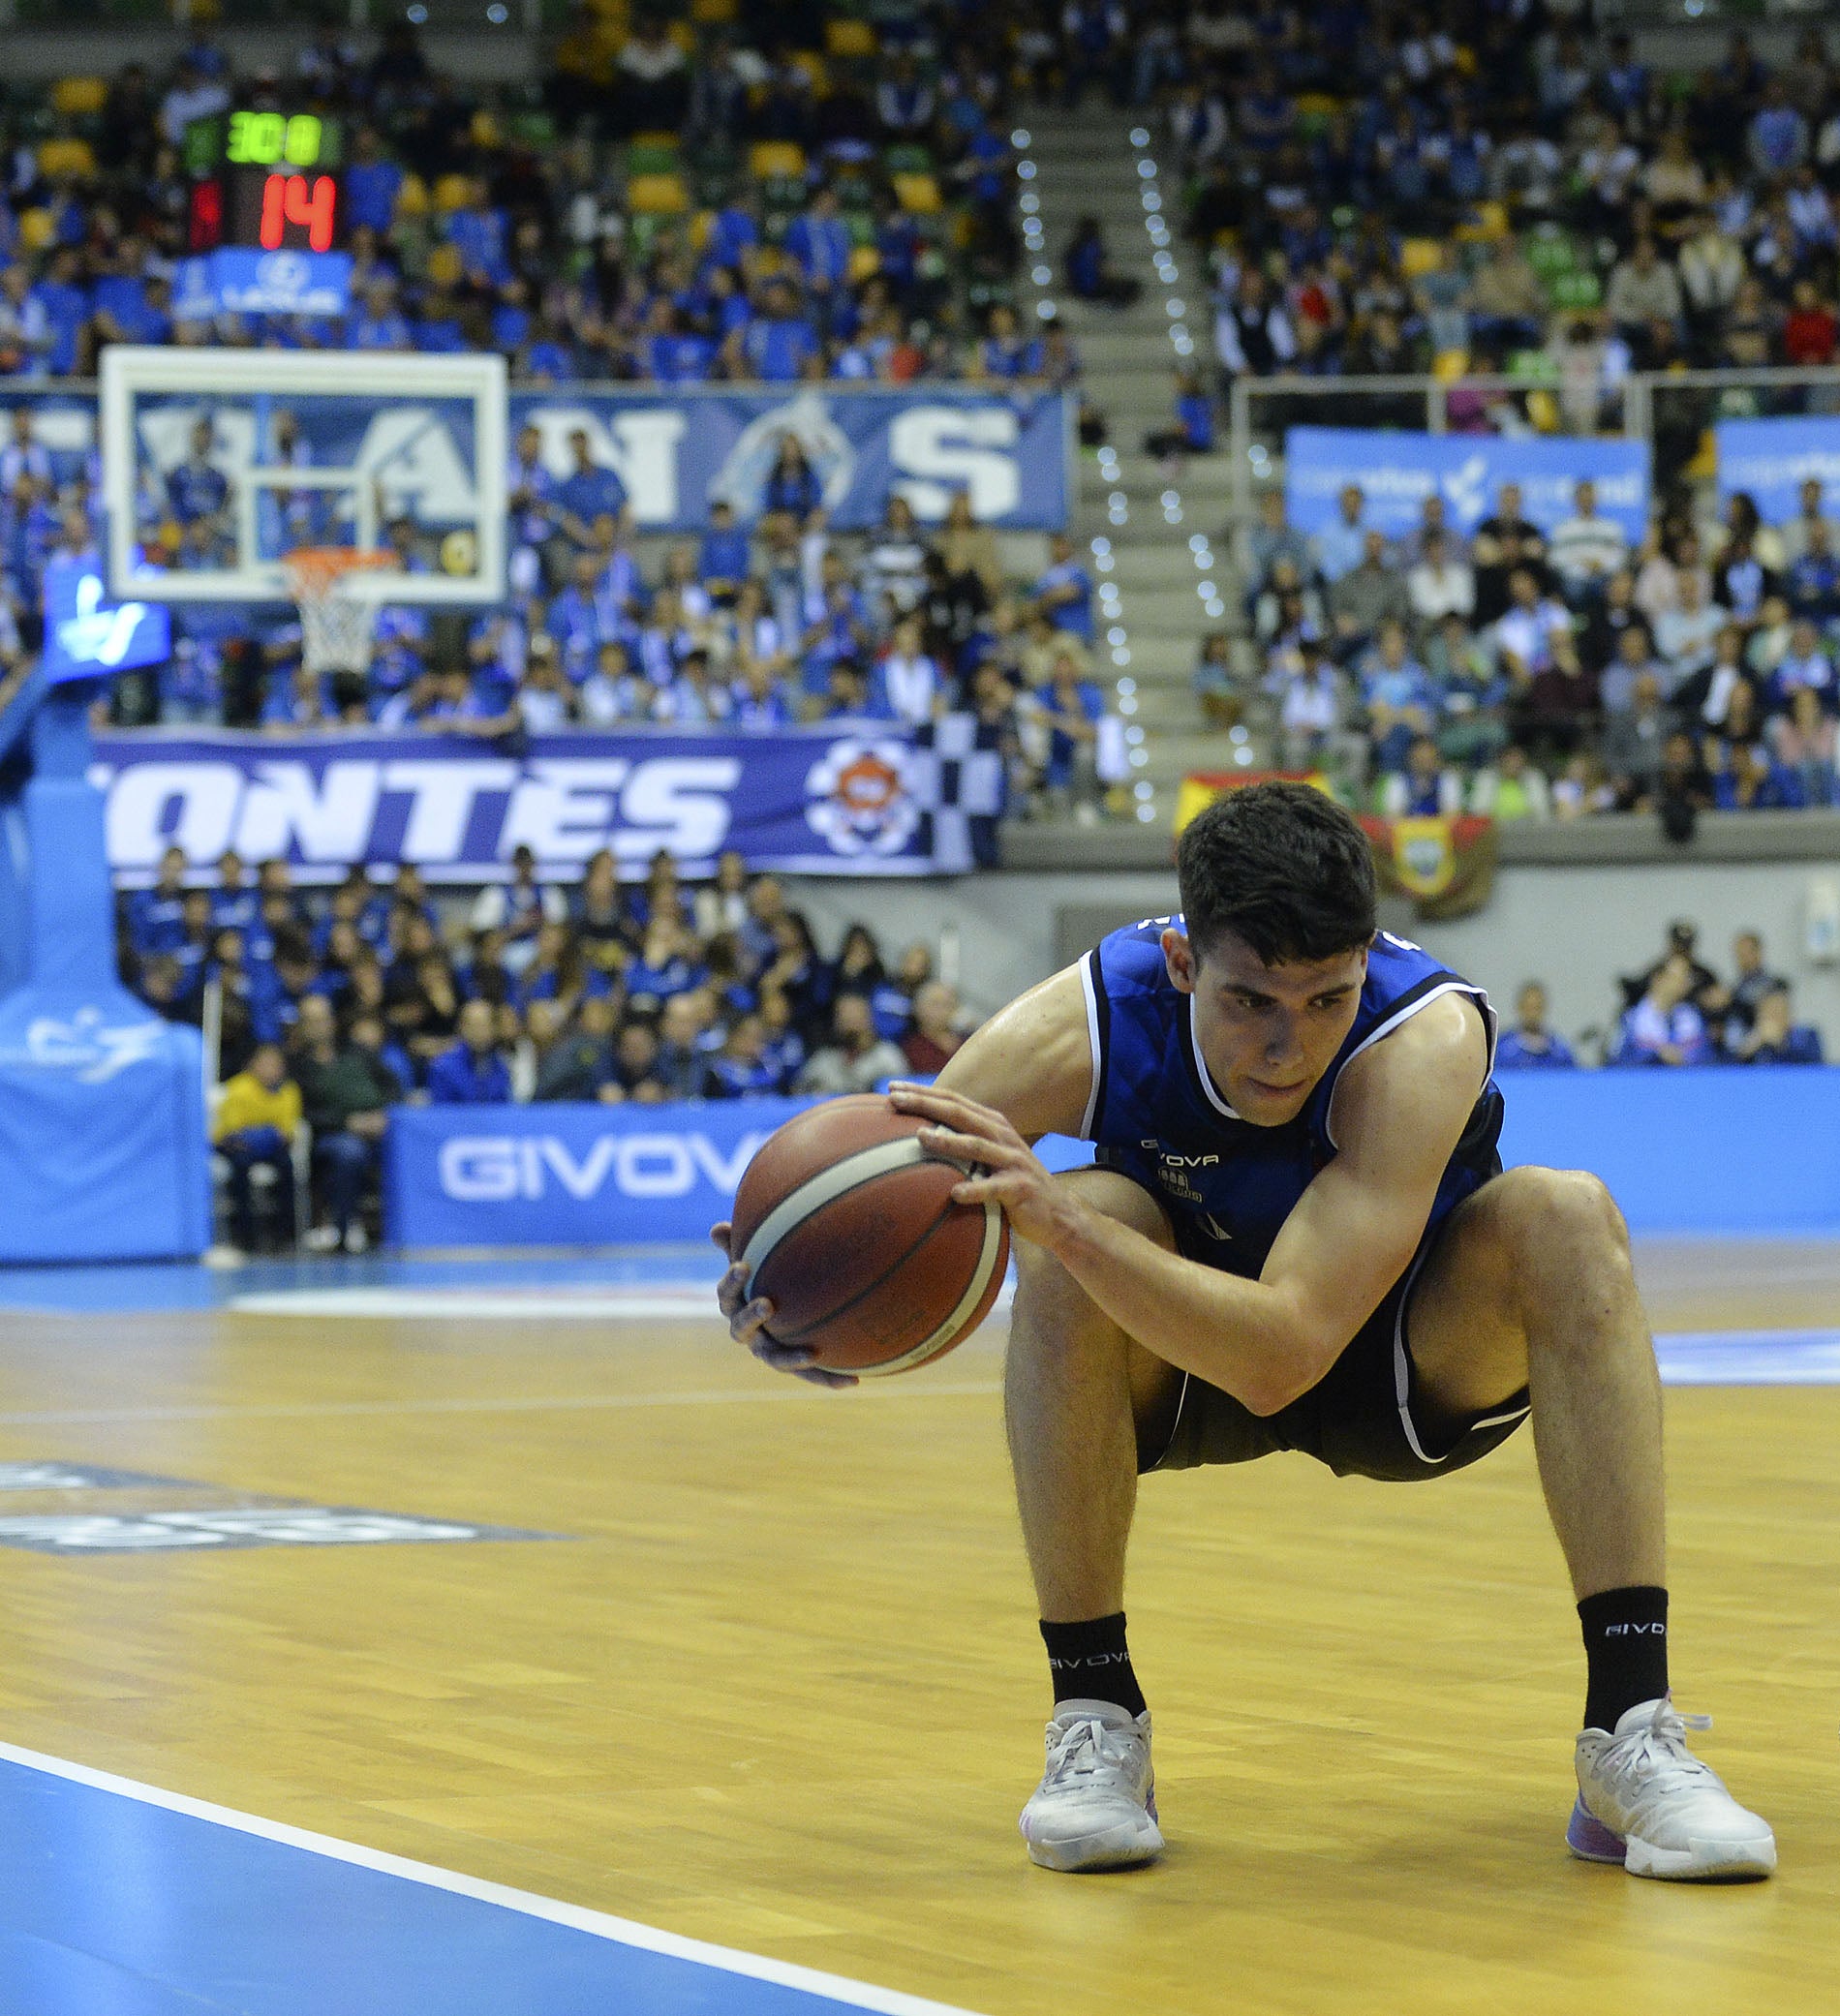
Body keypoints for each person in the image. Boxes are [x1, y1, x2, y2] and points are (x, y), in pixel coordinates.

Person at [715, 783, 1770, 1879]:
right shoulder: (1079, 1024)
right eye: (1252, 1000)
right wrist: (784, 1291)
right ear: (1180, 962)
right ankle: (1095, 1718)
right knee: (1079, 1227)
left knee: (1568, 1215)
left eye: (1326, 999)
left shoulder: (1423, 1037)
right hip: (1173, 1361)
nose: (1287, 1046)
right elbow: (901, 1197)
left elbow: (1283, 1355)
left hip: (1397, 1361)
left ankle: (1628, 1731)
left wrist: (1065, 1224)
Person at [291, 995, 397, 1253]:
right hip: (329, 1136)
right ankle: (344, 1227)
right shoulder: (296, 1065)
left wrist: (382, 1115)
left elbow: (392, 1085)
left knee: (410, 1146)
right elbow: (302, 1111)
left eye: (323, 1019)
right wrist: (347, 1123)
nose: (318, 1026)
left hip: (377, 1126)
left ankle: (410, 1230)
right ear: (301, 1026)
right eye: (311, 1021)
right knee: (349, 1152)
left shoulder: (357, 1052)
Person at [215, 1041, 303, 1253]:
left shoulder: (288, 1090)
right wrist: (266, 1134)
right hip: (238, 1147)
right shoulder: (238, 1088)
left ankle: (285, 1235)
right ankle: (244, 1236)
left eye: (276, 1064)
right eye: (265, 1064)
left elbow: (287, 1133)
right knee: (241, 1166)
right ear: (253, 1065)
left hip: (271, 1148)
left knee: (286, 1165)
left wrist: (266, 1136)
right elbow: (233, 1134)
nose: (271, 1069)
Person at [1495, 980, 1579, 1070]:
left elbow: (1572, 1077)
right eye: (1529, 1008)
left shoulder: (1559, 1051)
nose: (1533, 1014)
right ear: (1520, 1007)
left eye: (1537, 1008)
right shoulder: (1502, 1049)